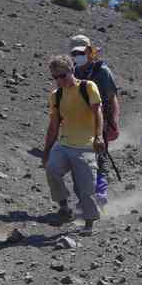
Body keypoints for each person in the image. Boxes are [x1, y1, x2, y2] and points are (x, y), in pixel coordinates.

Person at [42, 55, 104, 234]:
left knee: (85, 186)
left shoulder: (87, 87)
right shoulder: (56, 95)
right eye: (55, 77)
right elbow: (53, 126)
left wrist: (98, 136)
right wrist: (46, 152)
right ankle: (64, 208)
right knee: (52, 169)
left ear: (72, 70)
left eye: (62, 75)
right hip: (64, 144)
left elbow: (98, 113)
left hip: (85, 145)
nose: (59, 80)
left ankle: (89, 222)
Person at [69, 34, 119, 206]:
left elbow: (112, 98)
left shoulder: (102, 71)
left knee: (99, 157)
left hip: (100, 121)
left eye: (81, 53)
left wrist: (113, 124)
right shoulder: (73, 72)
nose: (77, 57)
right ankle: (85, 198)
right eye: (74, 54)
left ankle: (100, 192)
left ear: (90, 52)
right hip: (78, 123)